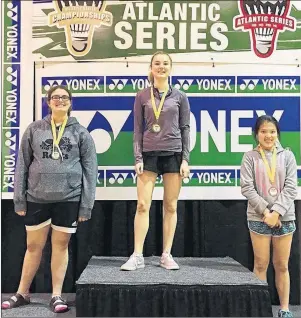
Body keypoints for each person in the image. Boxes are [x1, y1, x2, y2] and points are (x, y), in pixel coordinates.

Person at [2, 85, 97, 313]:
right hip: (37, 197)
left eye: (64, 97)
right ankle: (22, 293)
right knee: (33, 247)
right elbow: (22, 165)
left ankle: (56, 295)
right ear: (48, 102)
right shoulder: (34, 129)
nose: (60, 101)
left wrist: (86, 205)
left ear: (70, 102)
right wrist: (19, 199)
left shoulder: (81, 133)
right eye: (56, 97)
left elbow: (90, 170)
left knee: (60, 246)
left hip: (69, 198)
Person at [121, 51, 190, 271]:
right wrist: (137, 157)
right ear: (151, 68)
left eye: (165, 63)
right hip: (149, 154)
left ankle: (166, 254)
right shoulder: (142, 96)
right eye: (157, 63)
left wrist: (185, 159)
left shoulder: (180, 97)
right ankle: (137, 255)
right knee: (143, 205)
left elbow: (185, 129)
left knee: (170, 206)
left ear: (171, 68)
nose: (161, 66)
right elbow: (138, 129)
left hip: (173, 154)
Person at [240, 115, 297, 318]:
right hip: (259, 217)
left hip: (285, 217)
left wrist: (277, 212)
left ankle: (284, 309)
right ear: (256, 134)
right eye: (263, 131)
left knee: (281, 265)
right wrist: (266, 212)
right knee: (260, 264)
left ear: (277, 134)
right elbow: (247, 188)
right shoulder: (249, 157)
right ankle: (260, 311)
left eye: (272, 131)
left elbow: (291, 188)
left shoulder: (288, 156)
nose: (268, 135)